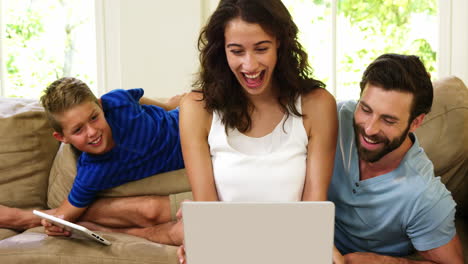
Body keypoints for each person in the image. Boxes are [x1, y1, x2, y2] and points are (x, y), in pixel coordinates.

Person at [178, 0, 340, 262]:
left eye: (261, 48)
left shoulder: (318, 105)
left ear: (280, 43)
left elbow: (313, 212)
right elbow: (207, 210)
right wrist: (201, 239)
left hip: (294, 252)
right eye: (236, 51)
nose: (249, 65)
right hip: (226, 252)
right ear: (222, 51)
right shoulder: (197, 109)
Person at [328, 53, 464, 263]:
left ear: (416, 122)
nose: (370, 128)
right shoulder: (334, 118)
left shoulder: (424, 195)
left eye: (388, 120)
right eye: (365, 109)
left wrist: (383, 262)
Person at [39, 77, 185, 242]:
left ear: (101, 106)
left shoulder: (117, 102)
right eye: (78, 130)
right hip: (194, 155)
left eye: (94, 118)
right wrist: (55, 223)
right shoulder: (91, 173)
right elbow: (65, 213)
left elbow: (137, 97)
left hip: (189, 121)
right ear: (62, 137)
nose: (92, 132)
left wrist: (169, 106)